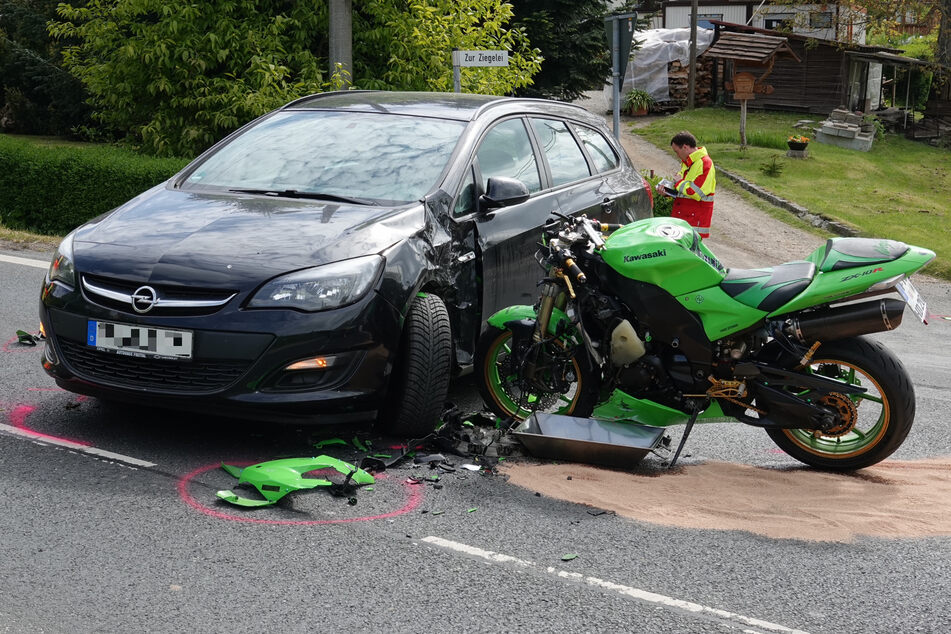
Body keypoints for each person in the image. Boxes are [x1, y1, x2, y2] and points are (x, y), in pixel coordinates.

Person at [657, 131, 716, 238]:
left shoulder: (704, 163)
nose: (677, 155)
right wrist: (667, 192)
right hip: (685, 218)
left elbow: (696, 192)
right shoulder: (689, 163)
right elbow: (683, 191)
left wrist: (679, 182)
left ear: (685, 147)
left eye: (677, 152)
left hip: (694, 221)